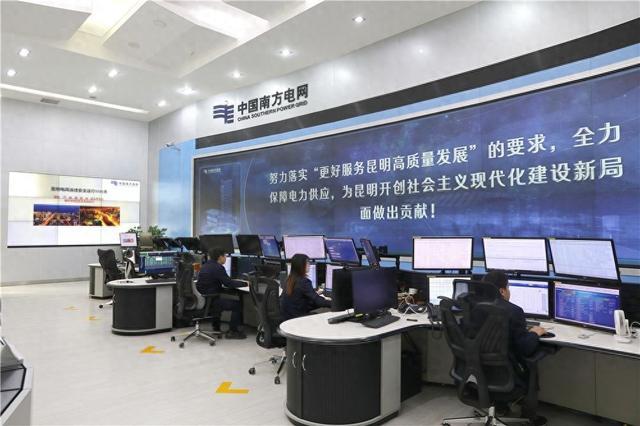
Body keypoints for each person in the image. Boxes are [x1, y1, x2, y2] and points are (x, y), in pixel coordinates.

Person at [482, 271, 547, 425]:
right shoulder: (514, 311)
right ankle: (529, 417)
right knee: (531, 363)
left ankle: (500, 407)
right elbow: (525, 348)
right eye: (508, 287)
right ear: (502, 291)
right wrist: (535, 333)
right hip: (506, 376)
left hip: (476, 373)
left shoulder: (473, 307)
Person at [196, 248, 248, 339]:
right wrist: (246, 283)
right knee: (237, 305)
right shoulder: (218, 267)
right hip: (211, 300)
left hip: (204, 299)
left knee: (218, 298)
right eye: (225, 256)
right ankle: (233, 332)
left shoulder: (205, 266)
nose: (226, 258)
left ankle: (216, 327)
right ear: (220, 257)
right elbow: (229, 283)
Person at [280, 253, 331, 321]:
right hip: (298, 319)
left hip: (287, 319)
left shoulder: (289, 279)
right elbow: (319, 302)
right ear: (302, 266)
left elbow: (298, 298)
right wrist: (334, 303)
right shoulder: (304, 281)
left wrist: (314, 294)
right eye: (308, 263)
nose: (309, 265)